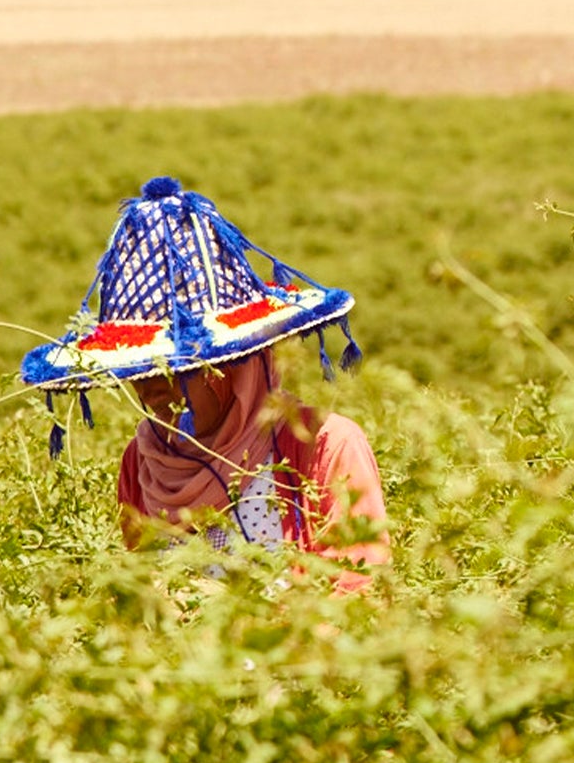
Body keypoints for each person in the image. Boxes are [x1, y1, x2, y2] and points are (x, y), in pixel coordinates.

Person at [22, 176, 392, 592]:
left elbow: (359, 598)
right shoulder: (143, 463)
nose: (153, 391)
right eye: (141, 375)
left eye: (179, 370)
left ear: (238, 368)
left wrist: (232, 616)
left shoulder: (322, 447)